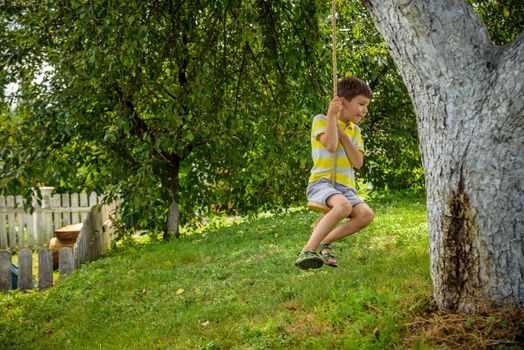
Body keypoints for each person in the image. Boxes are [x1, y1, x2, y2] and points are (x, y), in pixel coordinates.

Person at [295, 77, 375, 270]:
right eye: (361, 104)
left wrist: (345, 135)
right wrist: (332, 117)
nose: (365, 110)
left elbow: (357, 162)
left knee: (365, 215)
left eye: (366, 105)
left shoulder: (355, 131)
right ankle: (307, 250)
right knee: (344, 206)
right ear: (342, 102)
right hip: (322, 184)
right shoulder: (321, 120)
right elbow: (330, 145)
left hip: (345, 188)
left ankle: (325, 241)